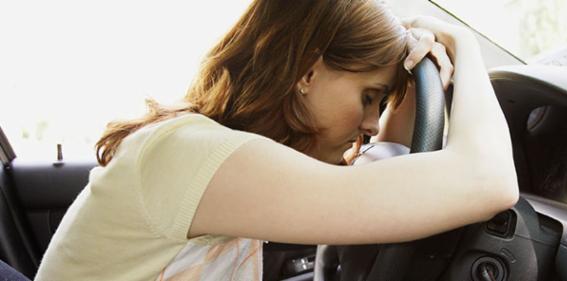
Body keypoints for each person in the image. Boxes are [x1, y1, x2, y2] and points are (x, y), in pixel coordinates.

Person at [35, 0, 518, 280]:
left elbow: (387, 165)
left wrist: (410, 83)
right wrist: (463, 47)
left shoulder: (207, 149)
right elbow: (489, 179)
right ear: (308, 71)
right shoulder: (197, 156)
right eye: (369, 97)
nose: (372, 124)